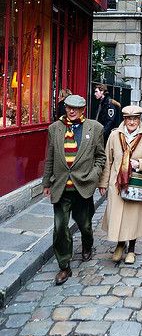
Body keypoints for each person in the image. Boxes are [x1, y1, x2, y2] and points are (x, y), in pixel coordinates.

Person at [42, 94, 106, 285]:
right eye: (68, 107)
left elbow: (100, 157)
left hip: (83, 186)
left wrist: (94, 176)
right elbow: (50, 158)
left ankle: (87, 245)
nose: (71, 111)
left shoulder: (95, 128)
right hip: (61, 187)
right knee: (60, 227)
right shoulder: (54, 129)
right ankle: (64, 266)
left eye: (75, 108)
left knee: (84, 224)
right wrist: (46, 183)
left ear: (83, 110)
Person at [98, 105, 142, 265]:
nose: (132, 122)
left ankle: (131, 248)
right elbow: (108, 160)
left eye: (135, 119)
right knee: (117, 215)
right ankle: (120, 244)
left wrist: (139, 163)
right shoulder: (114, 136)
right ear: (124, 120)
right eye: (128, 119)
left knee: (133, 217)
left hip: (135, 183)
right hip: (116, 183)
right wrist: (103, 182)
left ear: (139, 120)